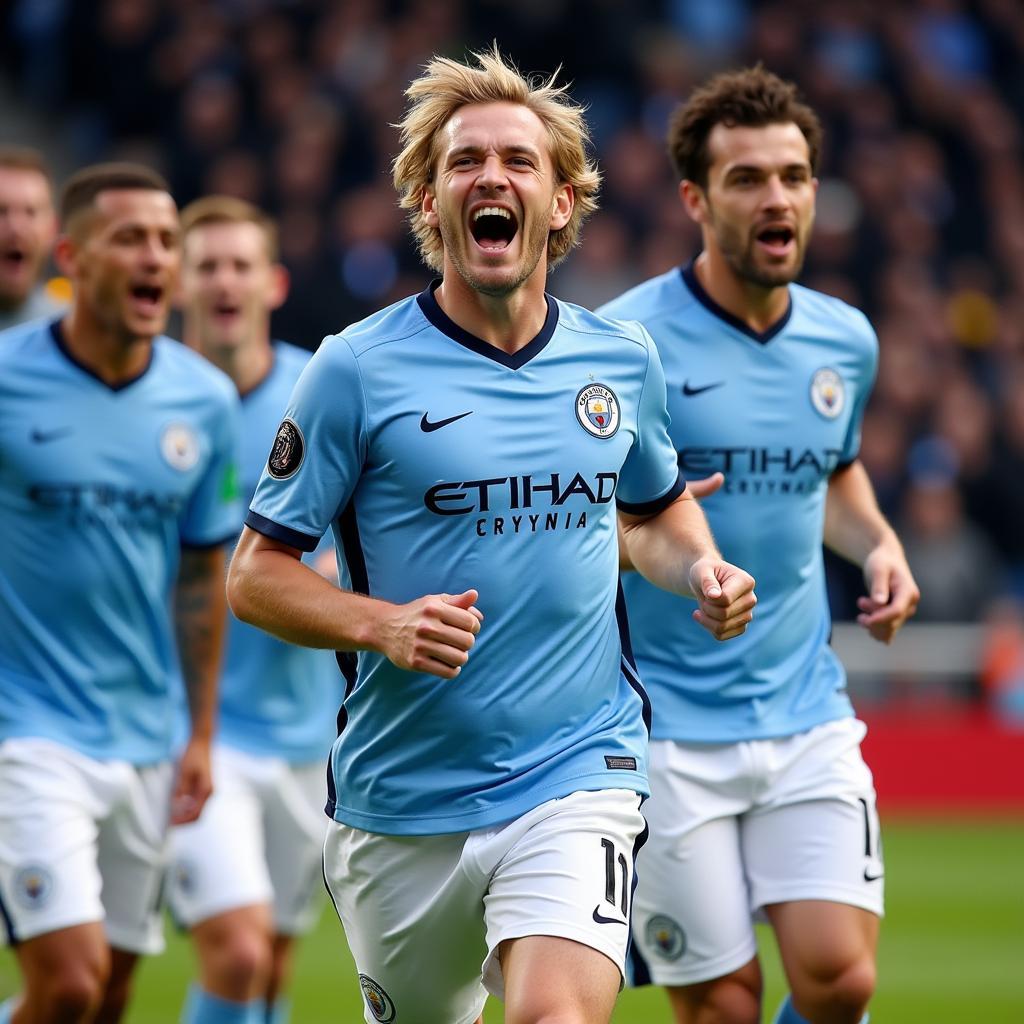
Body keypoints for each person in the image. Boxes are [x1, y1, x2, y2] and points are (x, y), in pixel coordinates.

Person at [227, 47, 756, 1024]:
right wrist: (378, 624)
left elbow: (653, 510)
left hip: (581, 765)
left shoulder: (619, 359)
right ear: (428, 202)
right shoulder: (356, 369)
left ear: (561, 201)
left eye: (519, 160)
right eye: (464, 162)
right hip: (402, 798)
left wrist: (705, 566)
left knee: (553, 1015)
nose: (491, 178)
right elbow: (255, 576)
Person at [598, 67, 920, 1024]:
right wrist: (661, 550)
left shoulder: (844, 341)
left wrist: (881, 548)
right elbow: (572, 524)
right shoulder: (625, 346)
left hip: (805, 710)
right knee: (724, 1007)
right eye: (746, 178)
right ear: (696, 199)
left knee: (841, 982)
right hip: (664, 730)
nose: (775, 196)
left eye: (794, 175)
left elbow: (832, 473)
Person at [0, 163, 241, 1024]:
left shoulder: (203, 402)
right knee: (67, 982)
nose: (156, 257)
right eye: (130, 238)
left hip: (145, 733)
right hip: (26, 733)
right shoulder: (6, 377)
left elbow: (201, 578)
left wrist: (202, 732)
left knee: (108, 996)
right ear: (73, 256)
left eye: (168, 241)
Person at [169, 195, 343, 1024]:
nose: (223, 281)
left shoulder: (317, 388)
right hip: (194, 732)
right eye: (206, 265)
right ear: (177, 283)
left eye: (240, 264)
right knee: (235, 953)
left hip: (310, 733)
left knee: (269, 967)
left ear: (272, 282)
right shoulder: (157, 399)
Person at [0, 145, 62, 331]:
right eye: (1, 211)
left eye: (31, 212)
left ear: (52, 229)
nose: (17, 228)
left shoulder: (78, 340)